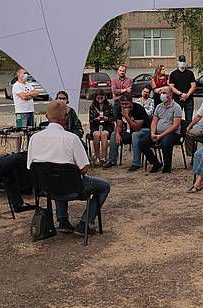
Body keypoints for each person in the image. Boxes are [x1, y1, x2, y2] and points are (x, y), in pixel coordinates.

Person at [27, 100, 110, 235]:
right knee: (104, 186)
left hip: (46, 188)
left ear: (46, 116)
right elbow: (84, 168)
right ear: (66, 117)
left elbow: (30, 166)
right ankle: (85, 222)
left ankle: (63, 221)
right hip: (73, 188)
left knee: (54, 175)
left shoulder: (34, 138)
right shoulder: (72, 138)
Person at [137, 86, 183, 173]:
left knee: (166, 143)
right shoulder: (159, 106)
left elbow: (175, 125)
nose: (162, 95)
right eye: (161, 93)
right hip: (158, 132)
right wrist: (152, 133)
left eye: (164, 93)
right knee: (142, 142)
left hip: (172, 133)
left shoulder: (176, 107)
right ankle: (156, 163)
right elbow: (154, 122)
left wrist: (161, 136)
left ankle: (167, 167)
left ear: (170, 94)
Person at [105, 93, 151, 169]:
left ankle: (136, 163)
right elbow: (119, 125)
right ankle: (112, 161)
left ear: (131, 102)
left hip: (144, 130)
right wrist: (117, 134)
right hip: (129, 130)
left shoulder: (138, 108)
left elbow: (137, 128)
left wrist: (126, 117)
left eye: (126, 104)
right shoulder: (120, 109)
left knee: (135, 135)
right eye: (122, 104)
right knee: (113, 134)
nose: (124, 106)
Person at [88, 90, 114, 165]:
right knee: (96, 135)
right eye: (98, 97)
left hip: (107, 125)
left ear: (104, 97)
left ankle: (104, 157)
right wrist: (96, 119)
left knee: (104, 134)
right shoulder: (92, 107)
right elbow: (90, 120)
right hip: (95, 125)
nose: (100, 99)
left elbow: (113, 118)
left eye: (101, 97)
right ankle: (97, 157)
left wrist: (107, 119)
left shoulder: (109, 106)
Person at [168, 54, 196, 122]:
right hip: (177, 99)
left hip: (189, 99)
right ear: (178, 62)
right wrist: (181, 94)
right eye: (181, 61)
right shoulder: (173, 74)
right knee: (176, 119)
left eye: (183, 61)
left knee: (189, 119)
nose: (182, 62)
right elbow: (171, 87)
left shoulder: (190, 73)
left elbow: (193, 86)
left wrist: (187, 95)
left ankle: (188, 129)